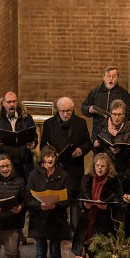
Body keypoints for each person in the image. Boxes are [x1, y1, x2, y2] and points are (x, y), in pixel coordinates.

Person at [25, 145, 71, 258]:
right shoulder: (34, 174)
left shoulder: (63, 175)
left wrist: (55, 204)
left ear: (55, 158)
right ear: (43, 159)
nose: (50, 159)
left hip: (56, 219)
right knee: (40, 254)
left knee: (55, 253)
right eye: (47, 156)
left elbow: (68, 197)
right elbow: (28, 196)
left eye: (52, 156)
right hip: (39, 219)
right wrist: (39, 205)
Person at [40, 96, 91, 231]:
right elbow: (43, 147)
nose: (65, 114)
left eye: (68, 111)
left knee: (74, 200)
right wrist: (51, 155)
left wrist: (82, 149)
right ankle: (58, 227)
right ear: (58, 110)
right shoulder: (49, 124)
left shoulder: (81, 123)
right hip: (56, 169)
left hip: (74, 168)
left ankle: (75, 229)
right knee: (57, 200)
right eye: (62, 111)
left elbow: (87, 143)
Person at [76, 153, 123, 256]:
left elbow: (119, 202)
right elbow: (79, 197)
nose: (99, 169)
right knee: (89, 253)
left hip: (105, 222)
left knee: (103, 255)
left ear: (108, 167)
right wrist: (84, 205)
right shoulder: (87, 179)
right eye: (97, 165)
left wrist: (107, 207)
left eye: (103, 166)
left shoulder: (114, 181)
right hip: (89, 220)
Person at [0, 91, 38, 177]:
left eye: (14, 101)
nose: (12, 104)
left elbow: (34, 135)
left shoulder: (26, 118)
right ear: (3, 103)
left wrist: (33, 143)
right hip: (4, 165)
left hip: (23, 165)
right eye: (9, 102)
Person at [81, 66, 130, 133]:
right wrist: (89, 110)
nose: (111, 79)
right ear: (103, 77)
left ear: (117, 78)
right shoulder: (96, 92)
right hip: (98, 129)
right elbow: (83, 107)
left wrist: (119, 117)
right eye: (108, 76)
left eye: (114, 76)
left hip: (118, 130)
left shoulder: (123, 93)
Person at [92, 99, 130, 173]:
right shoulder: (102, 126)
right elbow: (96, 151)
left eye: (119, 114)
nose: (117, 117)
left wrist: (120, 151)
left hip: (122, 167)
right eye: (114, 114)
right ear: (110, 114)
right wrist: (95, 146)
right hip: (104, 166)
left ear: (124, 114)